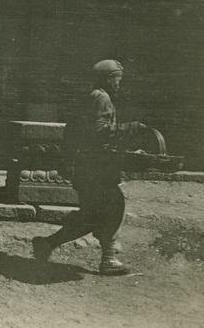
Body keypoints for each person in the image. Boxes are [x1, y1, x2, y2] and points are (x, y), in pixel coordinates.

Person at [32, 59, 146, 275]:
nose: (119, 83)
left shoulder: (90, 96)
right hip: (95, 167)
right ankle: (108, 260)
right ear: (109, 78)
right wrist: (130, 129)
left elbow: (74, 130)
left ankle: (47, 244)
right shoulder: (102, 98)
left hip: (86, 165)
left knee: (94, 214)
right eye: (117, 78)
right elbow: (99, 132)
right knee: (113, 206)